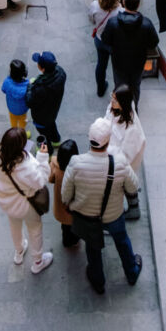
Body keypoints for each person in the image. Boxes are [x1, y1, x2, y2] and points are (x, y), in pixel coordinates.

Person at [61, 116, 142, 295]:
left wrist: (70, 204)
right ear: (108, 141)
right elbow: (133, 186)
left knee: (92, 247)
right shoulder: (119, 162)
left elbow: (65, 195)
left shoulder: (76, 163)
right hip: (114, 215)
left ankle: (98, 281)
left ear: (89, 139)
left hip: (86, 217)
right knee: (122, 241)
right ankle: (131, 272)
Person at [0, 128, 53, 274]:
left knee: (14, 226)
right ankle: (38, 262)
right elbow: (41, 181)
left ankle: (19, 251)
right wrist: (42, 157)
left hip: (7, 203)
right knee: (35, 230)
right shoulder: (26, 167)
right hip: (26, 205)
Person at [101, 0, 158, 104]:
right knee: (135, 86)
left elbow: (105, 40)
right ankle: (133, 109)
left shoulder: (113, 23)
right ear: (138, 4)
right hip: (137, 62)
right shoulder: (146, 23)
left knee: (119, 86)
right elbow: (153, 43)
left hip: (119, 62)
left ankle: (120, 110)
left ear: (123, 2)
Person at [106, 84, 146, 220]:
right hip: (112, 156)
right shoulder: (113, 109)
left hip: (121, 162)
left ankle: (133, 209)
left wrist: (107, 152)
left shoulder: (132, 129)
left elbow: (126, 155)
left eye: (115, 100)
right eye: (112, 97)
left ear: (123, 102)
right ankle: (134, 208)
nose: (111, 102)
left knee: (125, 185)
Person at [26, 51, 66, 153]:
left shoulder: (40, 88)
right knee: (51, 125)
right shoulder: (61, 73)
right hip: (53, 111)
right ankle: (56, 140)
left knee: (43, 134)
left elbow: (29, 102)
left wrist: (31, 86)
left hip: (41, 117)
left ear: (42, 68)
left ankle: (47, 151)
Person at [89, 0, 121, 98]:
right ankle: (118, 92)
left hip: (99, 39)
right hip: (113, 44)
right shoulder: (119, 10)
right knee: (117, 68)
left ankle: (100, 89)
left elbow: (91, 20)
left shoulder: (94, 5)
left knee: (101, 64)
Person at [50, 140, 81, 248]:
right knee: (74, 226)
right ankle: (74, 240)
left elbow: (50, 179)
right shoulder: (78, 171)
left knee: (65, 226)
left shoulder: (55, 166)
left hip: (60, 203)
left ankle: (67, 241)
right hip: (73, 206)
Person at [1, 59, 29, 130]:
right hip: (22, 110)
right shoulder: (27, 86)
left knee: (13, 121)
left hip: (11, 108)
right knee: (23, 122)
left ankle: (14, 131)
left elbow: (3, 90)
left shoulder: (7, 82)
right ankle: (22, 133)